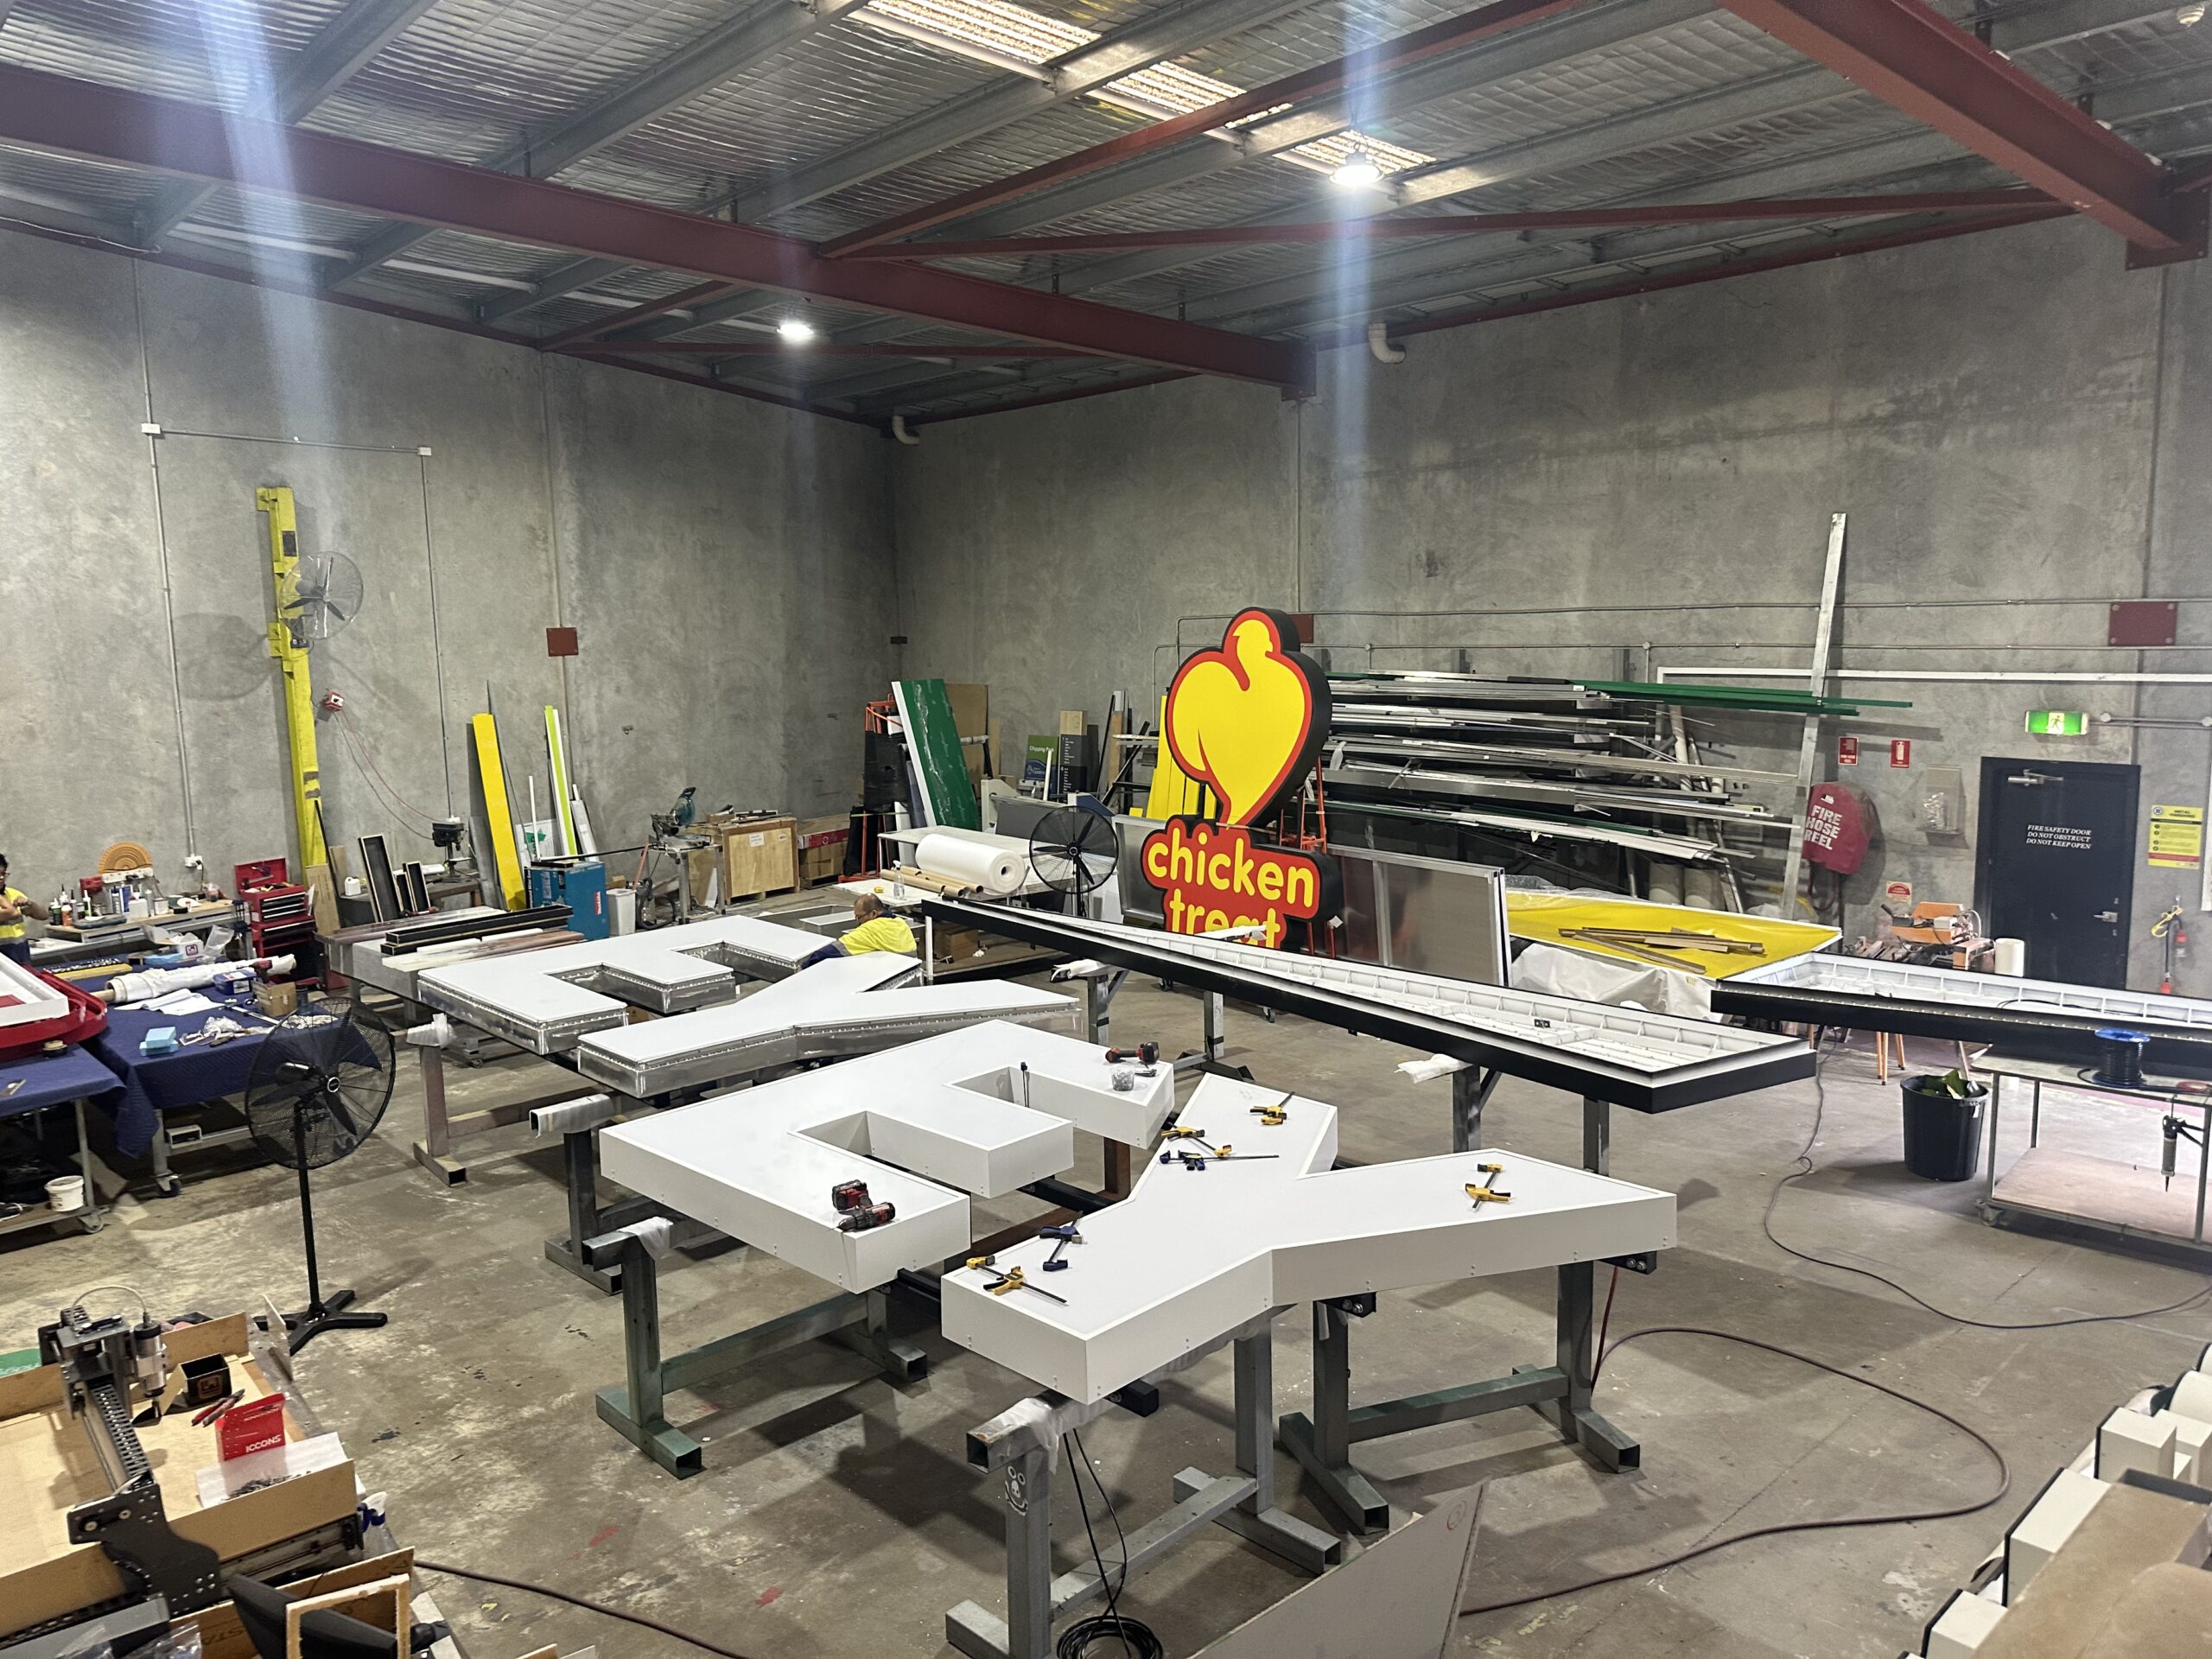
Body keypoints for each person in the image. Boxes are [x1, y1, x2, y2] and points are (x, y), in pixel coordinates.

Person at [798, 892, 917, 967]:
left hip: (891, 972)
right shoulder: (900, 922)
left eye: (859, 917)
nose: (858, 922)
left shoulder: (871, 930)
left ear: (873, 913)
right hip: (910, 967)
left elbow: (835, 950)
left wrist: (805, 965)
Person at [0, 855, 51, 966]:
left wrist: (30, 905)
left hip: (21, 957)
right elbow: (12, 913)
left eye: (3, 874)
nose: (1, 878)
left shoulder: (12, 893)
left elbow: (43, 916)